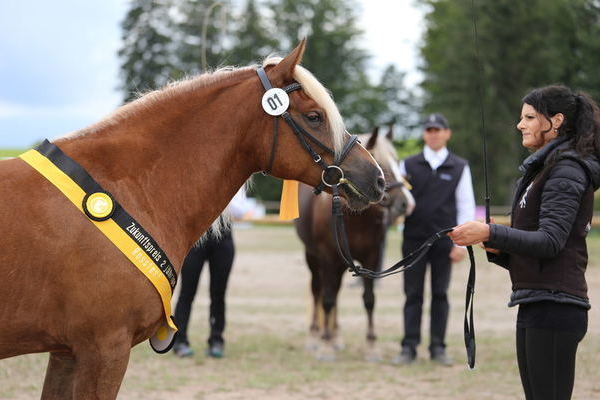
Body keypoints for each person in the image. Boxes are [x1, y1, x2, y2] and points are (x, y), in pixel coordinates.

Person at [449, 85, 600, 400]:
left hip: (557, 307)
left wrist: (491, 232)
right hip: (536, 302)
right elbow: (536, 247)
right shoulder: (544, 171)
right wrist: (498, 248)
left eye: (530, 117)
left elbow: (551, 241)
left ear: (555, 121)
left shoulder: (567, 170)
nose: (520, 124)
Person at [395, 113, 476, 366]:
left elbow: (465, 206)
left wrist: (460, 244)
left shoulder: (459, 166)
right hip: (414, 241)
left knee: (440, 294)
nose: (433, 133)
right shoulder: (407, 165)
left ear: (447, 133)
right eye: (429, 129)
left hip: (444, 241)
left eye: (438, 129)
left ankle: (438, 347)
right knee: (413, 294)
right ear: (424, 134)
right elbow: (399, 203)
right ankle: (408, 347)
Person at [172, 187, 254, 358]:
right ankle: (180, 340)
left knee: (218, 294)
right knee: (187, 292)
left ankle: (216, 339)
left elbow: (241, 210)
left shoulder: (234, 179)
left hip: (223, 239)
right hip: (197, 239)